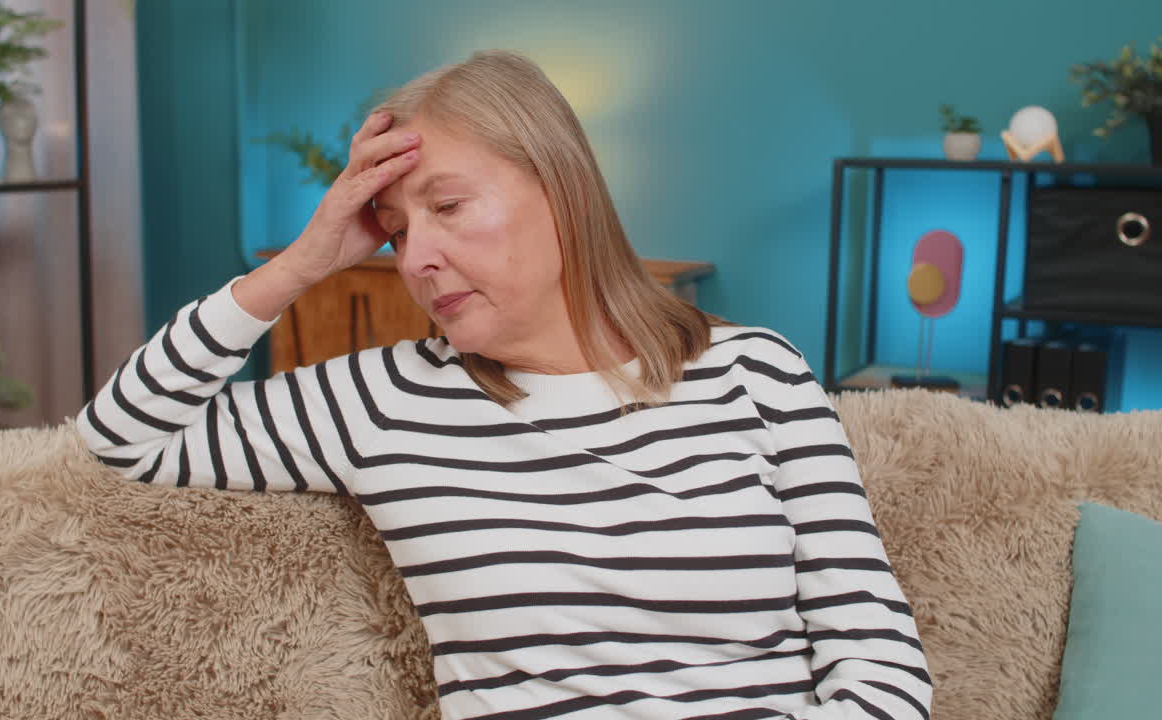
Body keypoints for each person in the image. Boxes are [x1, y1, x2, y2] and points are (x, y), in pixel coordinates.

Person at [78, 50, 931, 720]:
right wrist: (304, 263)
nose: (416, 258)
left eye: (448, 208)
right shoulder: (383, 402)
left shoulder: (758, 373)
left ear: (563, 190)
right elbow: (118, 436)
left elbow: (879, 662)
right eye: (397, 231)